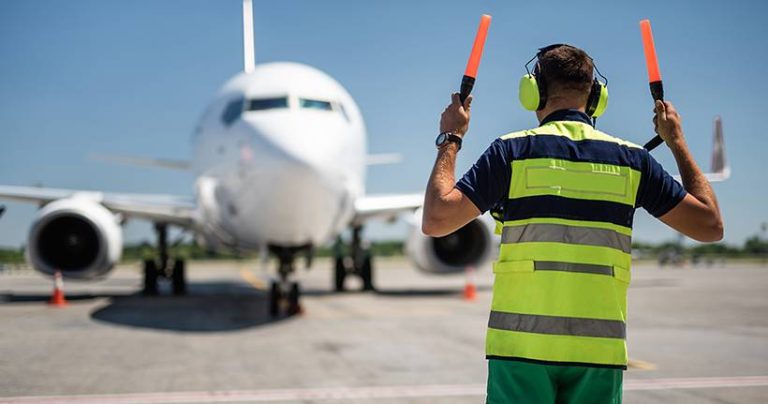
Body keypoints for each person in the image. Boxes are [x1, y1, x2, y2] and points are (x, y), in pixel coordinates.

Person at [422, 44, 723, 403]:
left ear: (532, 92)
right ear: (597, 96)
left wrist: (451, 138)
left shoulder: (511, 153)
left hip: (521, 348)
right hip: (598, 352)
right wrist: (676, 141)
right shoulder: (632, 161)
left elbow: (437, 220)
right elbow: (710, 226)